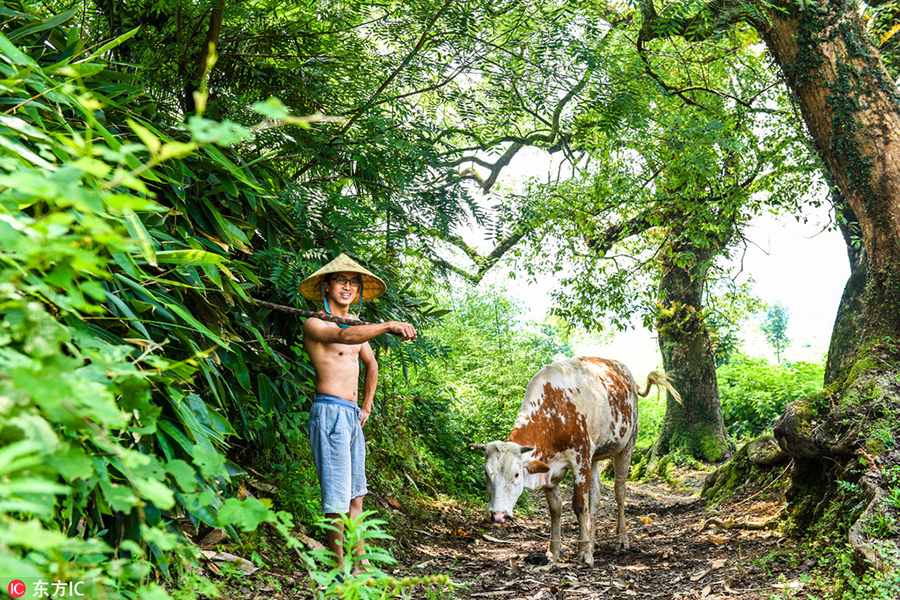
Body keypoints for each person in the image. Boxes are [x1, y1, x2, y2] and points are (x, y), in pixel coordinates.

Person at [298, 253, 416, 572]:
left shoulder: (357, 326)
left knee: (356, 497)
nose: (348, 286)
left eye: (354, 282)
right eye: (341, 280)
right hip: (330, 413)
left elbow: (371, 363)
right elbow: (344, 337)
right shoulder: (315, 323)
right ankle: (339, 569)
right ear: (327, 285)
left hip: (352, 417)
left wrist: (366, 405)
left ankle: (362, 564)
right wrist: (388, 325)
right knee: (336, 499)